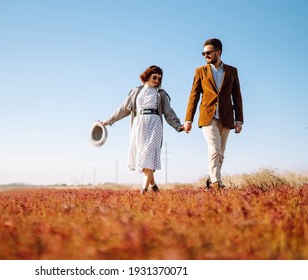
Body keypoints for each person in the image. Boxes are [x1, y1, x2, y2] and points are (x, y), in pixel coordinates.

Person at [101, 65, 183, 194]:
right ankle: (154, 186)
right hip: (139, 124)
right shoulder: (136, 91)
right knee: (143, 156)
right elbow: (123, 109)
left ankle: (143, 191)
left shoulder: (160, 93)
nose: (156, 80)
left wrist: (178, 125)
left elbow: (168, 112)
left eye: (159, 79)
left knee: (149, 152)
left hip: (154, 123)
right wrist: (109, 120)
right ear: (147, 75)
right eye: (154, 77)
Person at [183, 38, 244, 189]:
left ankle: (211, 181)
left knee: (221, 154)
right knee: (214, 150)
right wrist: (188, 119)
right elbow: (194, 95)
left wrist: (239, 120)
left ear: (218, 52)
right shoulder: (200, 72)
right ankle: (217, 182)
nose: (205, 56)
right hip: (208, 116)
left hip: (226, 116)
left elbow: (237, 95)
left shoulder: (232, 71)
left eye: (208, 53)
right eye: (203, 53)